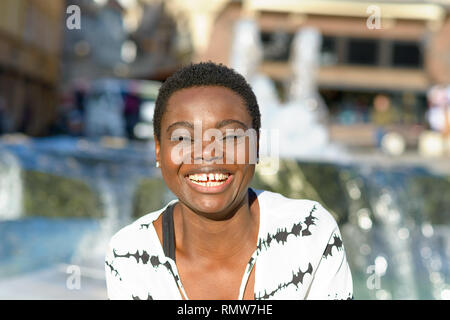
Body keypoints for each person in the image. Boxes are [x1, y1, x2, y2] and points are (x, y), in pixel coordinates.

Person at [105, 62, 353, 300]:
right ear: (159, 151)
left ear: (256, 146)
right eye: (183, 138)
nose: (208, 152)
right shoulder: (131, 253)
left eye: (230, 136)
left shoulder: (309, 232)